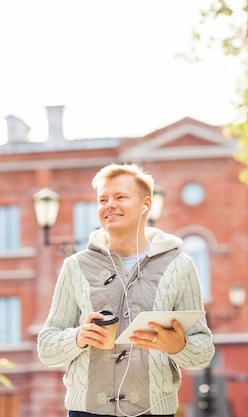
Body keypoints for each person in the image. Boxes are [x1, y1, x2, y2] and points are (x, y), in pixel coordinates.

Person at [37, 162, 214, 417]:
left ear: (146, 205)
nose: (109, 205)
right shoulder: (76, 266)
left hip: (154, 411)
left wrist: (179, 345)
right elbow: (47, 347)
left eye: (120, 197)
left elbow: (203, 351)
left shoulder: (179, 264)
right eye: (102, 199)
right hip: (86, 411)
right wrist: (77, 337)